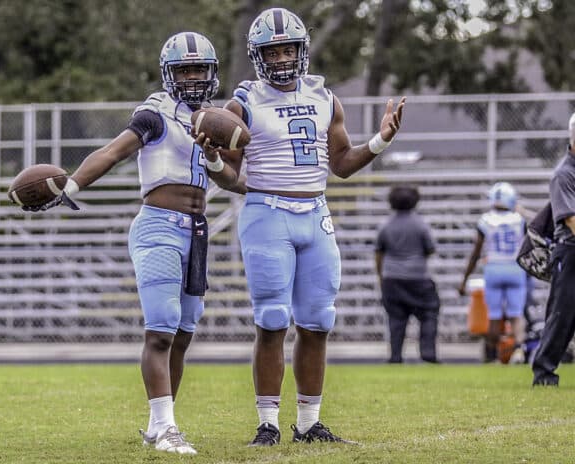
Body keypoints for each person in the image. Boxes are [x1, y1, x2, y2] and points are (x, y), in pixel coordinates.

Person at [28, 32, 233, 454]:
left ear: (212, 73)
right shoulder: (156, 112)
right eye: (185, 70)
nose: (193, 77)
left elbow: (233, 179)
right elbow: (114, 150)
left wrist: (220, 159)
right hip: (159, 226)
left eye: (200, 69)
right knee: (160, 332)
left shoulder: (215, 119)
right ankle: (165, 426)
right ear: (169, 75)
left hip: (197, 230)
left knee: (183, 333)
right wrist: (74, 185)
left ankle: (160, 423)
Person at [212, 8, 406, 446]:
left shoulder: (325, 97)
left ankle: (308, 422)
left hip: (315, 212)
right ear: (258, 55)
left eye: (287, 49)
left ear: (302, 50)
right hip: (266, 212)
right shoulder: (242, 102)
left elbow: (341, 165)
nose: (281, 58)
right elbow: (229, 175)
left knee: (318, 321)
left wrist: (380, 141)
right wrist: (211, 160)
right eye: (272, 50)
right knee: (273, 320)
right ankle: (268, 422)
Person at [458, 182, 527, 363]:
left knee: (495, 314)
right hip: (515, 267)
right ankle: (519, 350)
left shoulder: (486, 220)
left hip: (494, 268)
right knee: (516, 313)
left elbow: (475, 253)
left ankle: (492, 355)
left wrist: (464, 280)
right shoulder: (519, 219)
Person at [531, 112, 575, 386]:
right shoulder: (564, 174)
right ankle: (544, 372)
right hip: (570, 252)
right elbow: (570, 219)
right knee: (562, 315)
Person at [375, 185, 440, 364]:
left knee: (396, 319)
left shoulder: (385, 225)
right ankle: (428, 353)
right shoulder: (421, 224)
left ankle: (395, 356)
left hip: (392, 278)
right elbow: (430, 249)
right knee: (428, 315)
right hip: (419, 277)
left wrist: (381, 277)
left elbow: (379, 253)